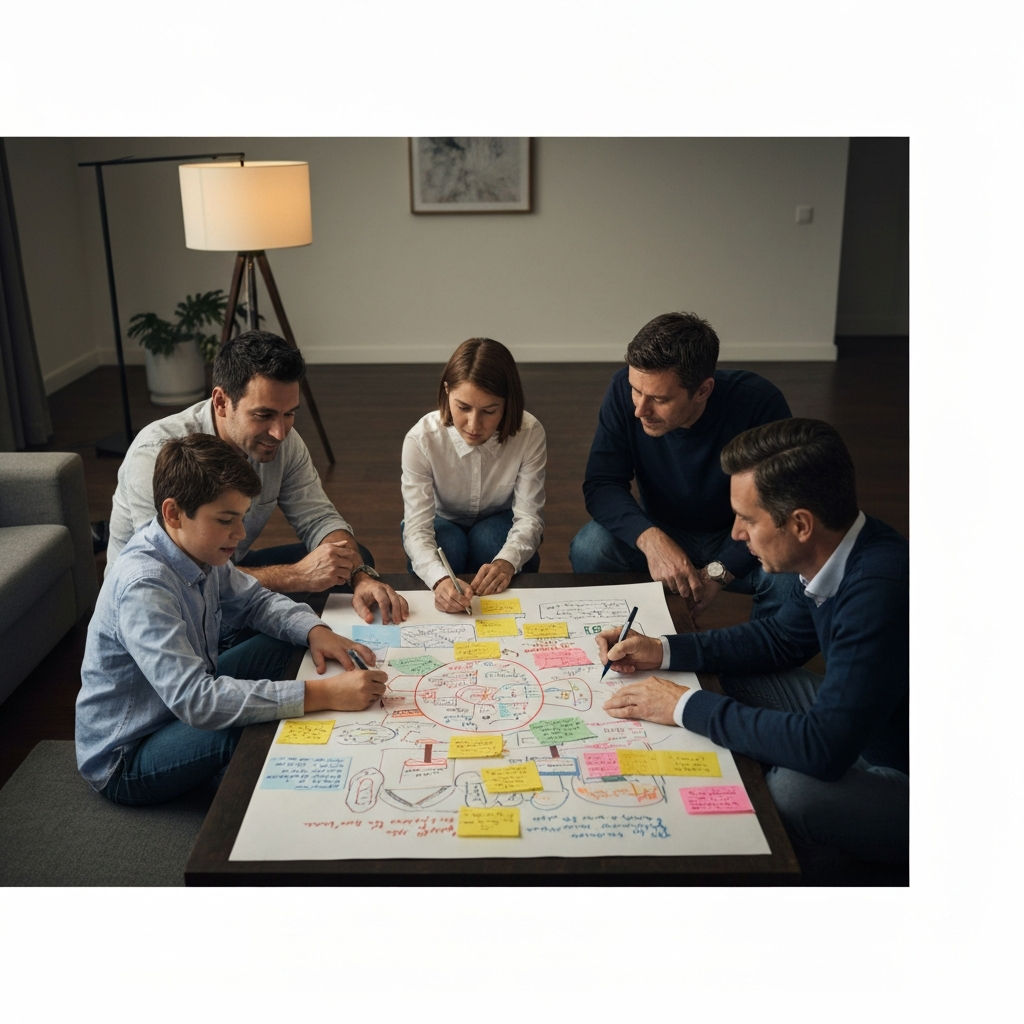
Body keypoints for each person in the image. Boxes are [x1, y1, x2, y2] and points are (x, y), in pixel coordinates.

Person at [598, 418, 909, 881]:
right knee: (727, 679)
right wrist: (662, 650)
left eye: (748, 519)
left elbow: (824, 747)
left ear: (800, 524)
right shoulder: (841, 548)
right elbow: (778, 639)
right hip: (867, 727)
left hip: (911, 777)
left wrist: (683, 706)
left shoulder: (876, 590)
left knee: (792, 792)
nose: (737, 536)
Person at [77, 433, 389, 806]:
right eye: (226, 520)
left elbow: (255, 601)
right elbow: (197, 701)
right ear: (173, 513)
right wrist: (322, 695)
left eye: (241, 518)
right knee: (244, 725)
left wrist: (316, 630)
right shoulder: (144, 588)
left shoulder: (196, 548)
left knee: (287, 641)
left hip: (178, 705)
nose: (240, 535)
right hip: (127, 756)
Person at [106, 330, 407, 625]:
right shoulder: (156, 454)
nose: (280, 432)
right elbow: (174, 573)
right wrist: (296, 577)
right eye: (263, 415)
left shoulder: (282, 440)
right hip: (170, 608)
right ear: (222, 402)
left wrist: (360, 575)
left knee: (349, 557)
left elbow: (318, 517)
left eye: (289, 413)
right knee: (288, 640)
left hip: (226, 566)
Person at [570, 311, 794, 620]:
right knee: (590, 547)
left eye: (659, 399)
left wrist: (722, 570)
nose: (639, 410)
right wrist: (651, 539)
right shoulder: (624, 389)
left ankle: (763, 659)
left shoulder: (760, 404)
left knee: (790, 572)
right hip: (663, 527)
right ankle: (630, 636)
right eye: (636, 390)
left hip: (741, 534)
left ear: (703, 390)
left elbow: (780, 507)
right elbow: (602, 483)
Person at [401, 338, 546, 614]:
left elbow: (529, 517)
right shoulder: (421, 439)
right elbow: (417, 528)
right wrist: (439, 580)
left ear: (507, 404)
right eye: (463, 407)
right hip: (442, 521)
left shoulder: (529, 432)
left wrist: (506, 562)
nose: (473, 425)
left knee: (491, 541)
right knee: (448, 546)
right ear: (446, 392)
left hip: (498, 521)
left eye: (489, 411)